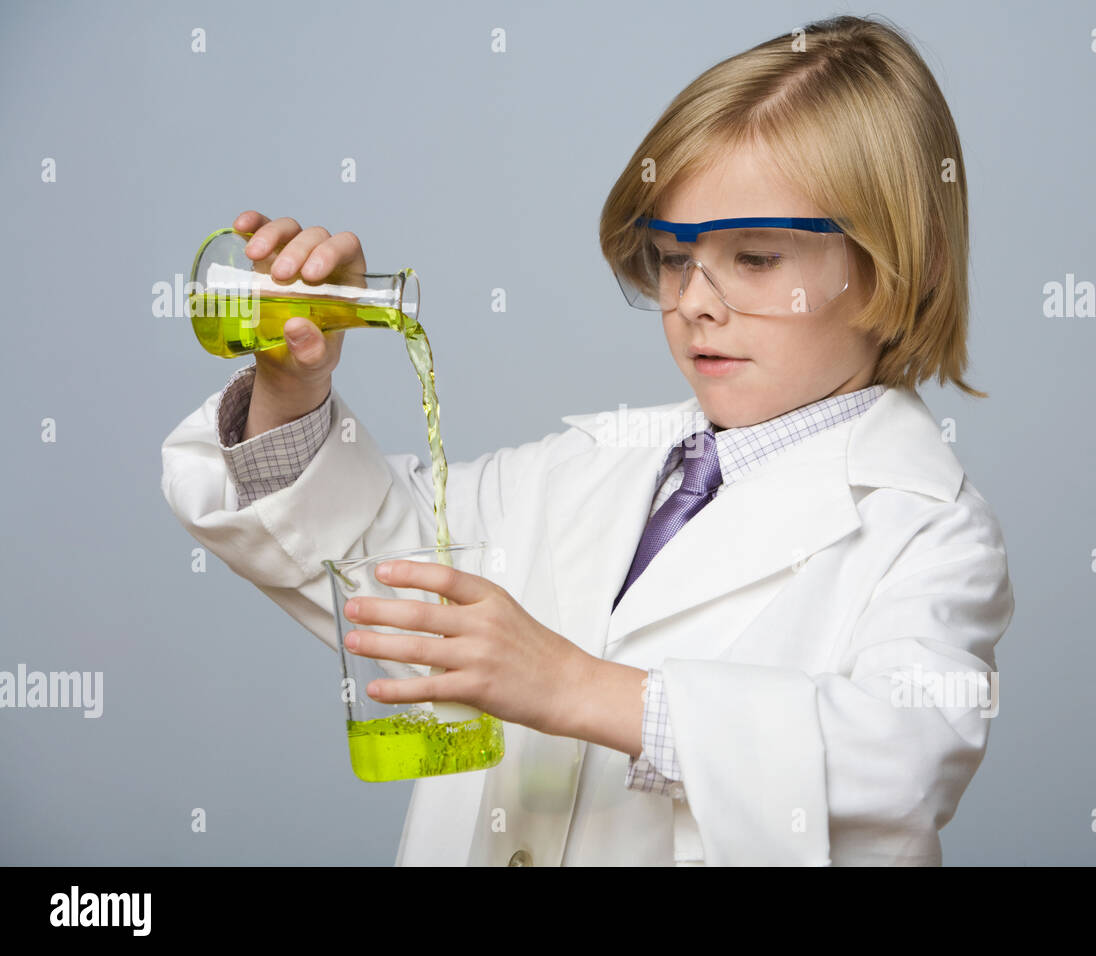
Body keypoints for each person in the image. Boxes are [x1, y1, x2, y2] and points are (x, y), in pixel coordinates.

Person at [160, 14, 1014, 866]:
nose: (695, 301)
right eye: (675, 255)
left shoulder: (927, 530)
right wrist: (292, 381)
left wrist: (574, 687)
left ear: (911, 262)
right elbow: (364, 555)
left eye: (754, 258)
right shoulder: (590, 467)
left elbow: (902, 760)